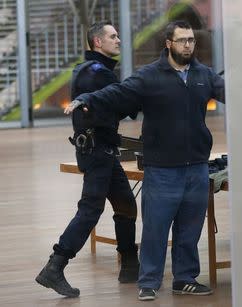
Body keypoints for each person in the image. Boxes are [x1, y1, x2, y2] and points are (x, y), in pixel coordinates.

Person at [64, 20, 225, 301]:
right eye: (182, 40)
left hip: (197, 166)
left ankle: (185, 278)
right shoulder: (150, 76)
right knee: (156, 228)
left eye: (191, 40)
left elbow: (232, 93)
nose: (188, 45)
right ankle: (148, 280)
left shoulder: (204, 75)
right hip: (162, 168)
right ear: (168, 43)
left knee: (190, 229)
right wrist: (87, 97)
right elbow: (117, 93)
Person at [35, 21, 139, 298]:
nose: (119, 40)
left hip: (97, 149)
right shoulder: (100, 74)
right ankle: (55, 267)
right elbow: (128, 107)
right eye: (113, 36)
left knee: (126, 205)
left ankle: (130, 266)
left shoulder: (84, 69)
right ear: (97, 42)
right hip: (98, 151)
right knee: (90, 209)